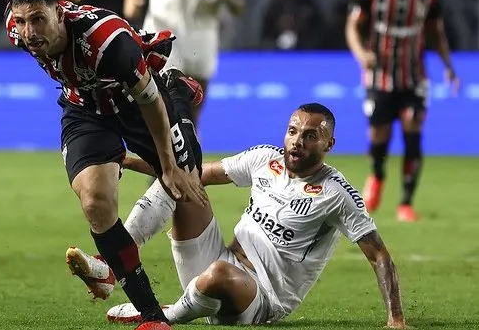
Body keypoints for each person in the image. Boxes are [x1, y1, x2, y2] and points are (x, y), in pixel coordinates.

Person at [68, 104, 407, 328]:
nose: (296, 142)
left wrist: (396, 319)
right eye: (292, 131)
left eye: (310, 136)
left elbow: (379, 254)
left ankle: (161, 314)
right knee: (183, 180)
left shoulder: (336, 193)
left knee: (219, 273)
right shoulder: (265, 159)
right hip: (218, 259)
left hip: (260, 297)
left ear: (328, 144)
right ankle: (111, 267)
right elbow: (197, 173)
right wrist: (127, 160)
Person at [6, 0, 208, 330]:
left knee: (186, 182)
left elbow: (148, 101)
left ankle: (178, 90)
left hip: (137, 102)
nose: (28, 31)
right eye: (21, 21)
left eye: (37, 19)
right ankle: (152, 317)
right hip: (84, 106)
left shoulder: (107, 41)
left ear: (59, 14)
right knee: (95, 204)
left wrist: (166, 166)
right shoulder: (17, 26)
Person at [345, 0, 459, 222]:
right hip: (379, 74)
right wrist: (361, 55)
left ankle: (406, 202)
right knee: (378, 133)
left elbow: (437, 33)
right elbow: (352, 26)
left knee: (412, 125)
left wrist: (448, 67)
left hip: (414, 75)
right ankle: (377, 176)